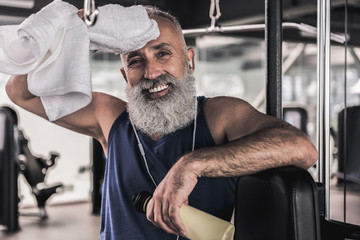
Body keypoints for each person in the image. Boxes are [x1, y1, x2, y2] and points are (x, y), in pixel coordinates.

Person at [5, 5, 318, 240]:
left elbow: (302, 148)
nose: (151, 73)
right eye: (136, 61)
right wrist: (71, 30)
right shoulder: (109, 117)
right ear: (125, 74)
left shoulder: (218, 114)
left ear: (189, 60)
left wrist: (192, 165)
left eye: (162, 53)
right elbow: (19, 91)